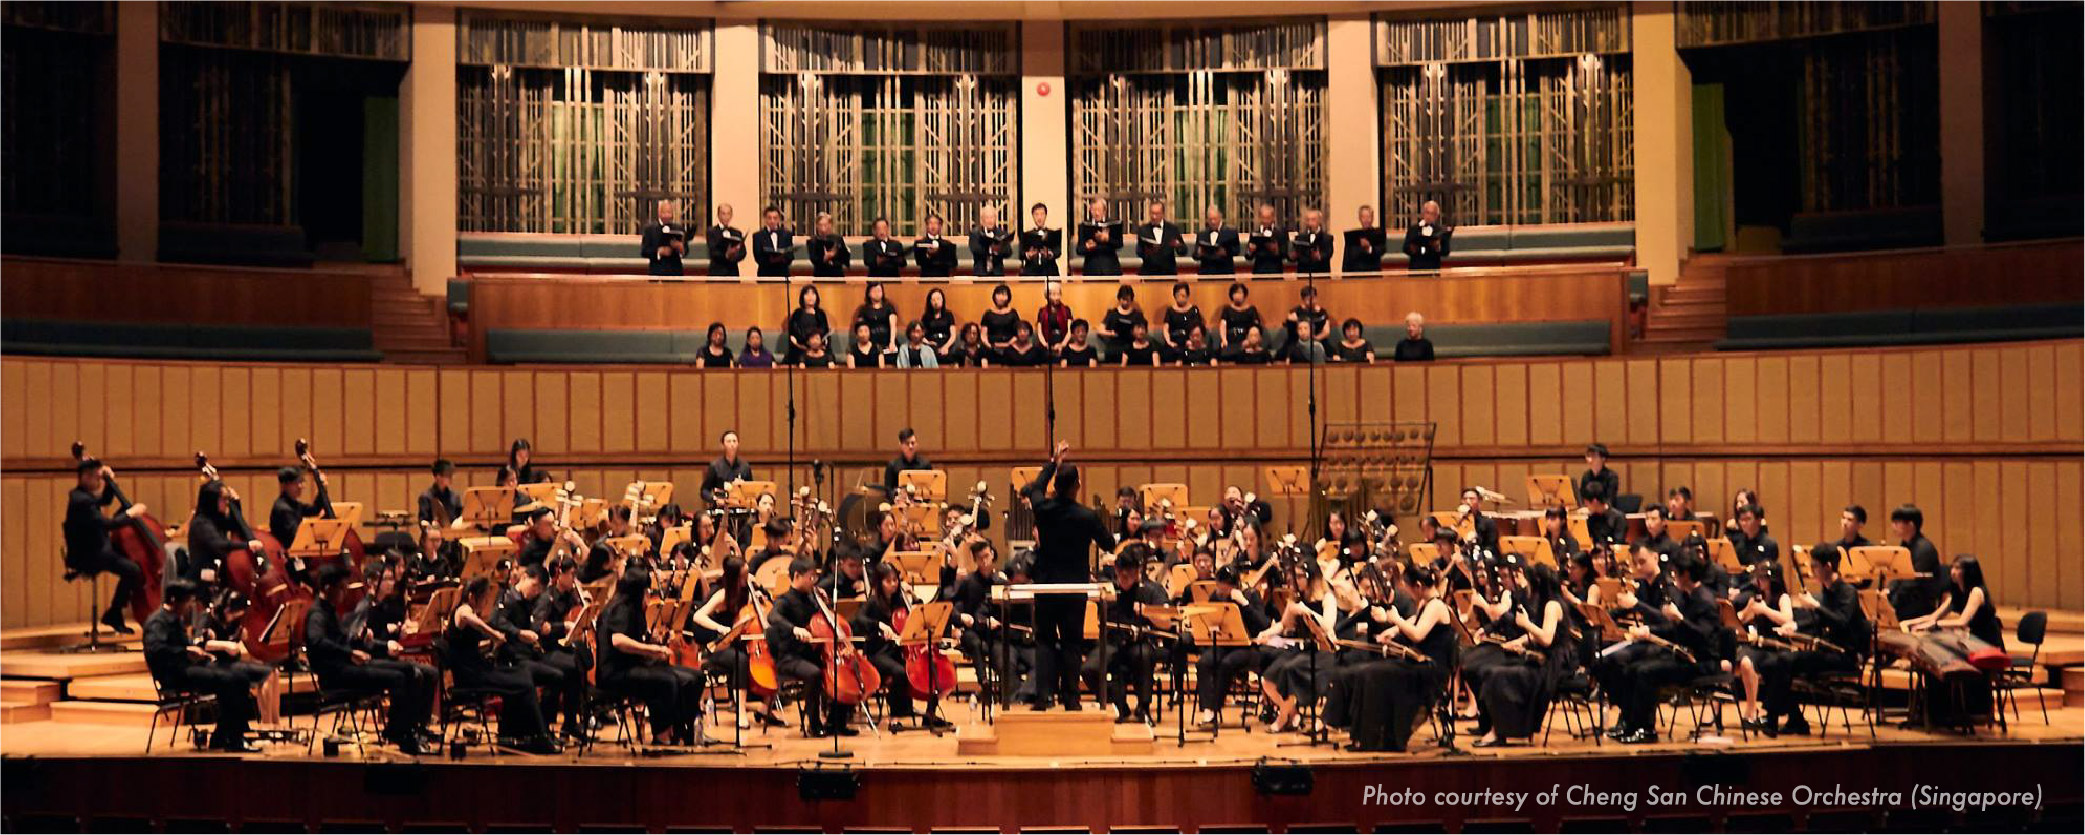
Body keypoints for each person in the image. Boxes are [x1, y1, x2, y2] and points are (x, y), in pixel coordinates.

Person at [1022, 442, 1116, 710]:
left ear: (1056, 485)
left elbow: (1035, 488)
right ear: (1077, 486)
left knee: (1045, 641)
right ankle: (1072, 698)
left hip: (1046, 586)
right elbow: (1109, 544)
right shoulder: (1087, 516)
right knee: (1072, 643)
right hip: (1074, 587)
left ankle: (1043, 698)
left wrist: (1053, 463)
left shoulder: (1042, 508)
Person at [308, 565, 434, 754]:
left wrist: (370, 643)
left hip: (348, 667)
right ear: (327, 588)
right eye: (341, 588)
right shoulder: (317, 613)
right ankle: (399, 733)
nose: (344, 593)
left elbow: (345, 640)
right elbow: (317, 641)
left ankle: (404, 729)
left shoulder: (331, 611)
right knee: (398, 677)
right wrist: (350, 653)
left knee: (408, 670)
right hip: (336, 676)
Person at [1604, 556, 1724, 744]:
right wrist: (1650, 630)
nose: (1673, 577)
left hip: (1703, 662)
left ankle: (1646, 729)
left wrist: (1680, 620)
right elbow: (1673, 630)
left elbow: (1704, 637)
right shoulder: (1688, 596)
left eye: (1676, 573)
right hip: (1684, 658)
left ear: (1686, 574)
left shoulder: (1705, 600)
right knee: (1631, 668)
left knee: (1646, 672)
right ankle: (1630, 724)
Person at [141, 581, 261, 751]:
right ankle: (233, 741)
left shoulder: (175, 619)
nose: (190, 605)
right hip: (174, 675)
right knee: (229, 680)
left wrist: (201, 642)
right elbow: (156, 650)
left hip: (188, 669)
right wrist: (186, 651)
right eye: (187, 601)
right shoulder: (157, 622)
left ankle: (223, 736)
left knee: (240, 677)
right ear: (174, 600)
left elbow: (184, 644)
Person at [595, 569, 707, 746]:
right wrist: (652, 650)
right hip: (615, 673)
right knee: (666, 680)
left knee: (696, 678)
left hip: (634, 666)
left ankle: (682, 731)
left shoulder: (633, 608)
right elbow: (618, 640)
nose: (649, 593)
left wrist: (657, 639)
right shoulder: (620, 609)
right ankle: (661, 737)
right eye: (646, 590)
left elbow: (636, 637)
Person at [448, 577, 559, 753]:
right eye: (483, 597)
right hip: (470, 674)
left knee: (521, 675)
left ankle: (512, 734)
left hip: (479, 667)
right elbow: (471, 620)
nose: (485, 602)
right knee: (523, 684)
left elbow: (470, 645)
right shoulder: (462, 610)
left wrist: (492, 645)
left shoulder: (469, 610)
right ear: (471, 596)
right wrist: (494, 635)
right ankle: (539, 737)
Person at [1472, 563, 1574, 747]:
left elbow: (1546, 638)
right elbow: (1538, 633)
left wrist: (1525, 624)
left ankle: (1499, 732)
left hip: (1553, 665)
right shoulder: (1546, 603)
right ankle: (1495, 729)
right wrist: (1520, 641)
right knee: (1489, 670)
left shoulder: (1552, 605)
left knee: (1498, 675)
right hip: (1543, 658)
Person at [689, 556, 784, 729]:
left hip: (741, 643)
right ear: (734, 577)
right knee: (740, 660)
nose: (747, 578)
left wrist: (760, 596)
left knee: (775, 653)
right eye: (743, 576)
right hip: (719, 646)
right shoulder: (722, 594)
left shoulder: (748, 591)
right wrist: (720, 628)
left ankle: (764, 709)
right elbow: (698, 616)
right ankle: (741, 712)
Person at [768, 559, 857, 736]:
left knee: (845, 670)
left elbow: (826, 623)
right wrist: (794, 629)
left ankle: (836, 722)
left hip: (815, 654)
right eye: (811, 577)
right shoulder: (784, 600)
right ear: (797, 576)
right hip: (791, 657)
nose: (814, 581)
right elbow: (772, 617)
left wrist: (826, 604)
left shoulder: (813, 598)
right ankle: (814, 723)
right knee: (814, 673)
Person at [1082, 546, 1168, 723]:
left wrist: (1147, 612)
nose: (1125, 577)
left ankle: (1143, 707)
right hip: (1111, 643)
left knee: (1143, 655)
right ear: (1116, 570)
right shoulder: (1108, 591)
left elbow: (1166, 624)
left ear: (1138, 571)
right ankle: (1118, 704)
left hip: (1139, 643)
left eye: (1130, 572)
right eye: (1121, 572)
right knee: (1089, 669)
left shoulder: (1152, 590)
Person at [64, 457, 147, 633]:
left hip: (97, 549)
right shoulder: (81, 501)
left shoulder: (83, 497)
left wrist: (110, 482)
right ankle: (114, 613)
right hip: (89, 555)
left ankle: (115, 613)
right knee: (133, 570)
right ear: (85, 477)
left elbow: (105, 501)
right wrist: (131, 514)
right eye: (97, 478)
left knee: (131, 565)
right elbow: (107, 524)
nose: (99, 482)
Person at [1190, 563, 1271, 727]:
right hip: (1224, 644)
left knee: (1227, 664)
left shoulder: (1251, 595)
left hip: (1250, 647)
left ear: (1235, 585)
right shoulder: (1215, 596)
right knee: (1203, 663)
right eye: (1219, 585)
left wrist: (1244, 604)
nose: (1221, 590)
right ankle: (1208, 711)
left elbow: (1263, 625)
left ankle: (1215, 708)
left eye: (1225, 587)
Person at [186, 479, 265, 586]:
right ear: (212, 501)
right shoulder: (201, 524)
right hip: (203, 580)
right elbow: (219, 545)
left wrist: (236, 503)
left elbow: (235, 525)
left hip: (218, 575)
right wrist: (247, 545)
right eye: (223, 499)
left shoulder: (215, 519)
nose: (226, 503)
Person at [1887, 504, 1948, 620]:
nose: (1893, 526)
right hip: (1906, 600)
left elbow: (1913, 582)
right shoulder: (1905, 546)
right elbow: (1898, 575)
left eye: (1897, 522)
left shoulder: (1925, 549)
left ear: (1910, 525)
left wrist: (1892, 603)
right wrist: (1888, 592)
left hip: (1919, 605)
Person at [269, 463, 332, 555]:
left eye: (302, 482)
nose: (301, 486)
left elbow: (314, 510)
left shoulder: (293, 504)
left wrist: (322, 488)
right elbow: (296, 537)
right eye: (296, 482)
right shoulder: (283, 508)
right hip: (288, 557)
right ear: (285, 485)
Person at [700, 429, 754, 510]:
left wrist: (743, 486)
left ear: (738, 444)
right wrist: (714, 499)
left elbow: (751, 490)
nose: (732, 444)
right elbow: (704, 491)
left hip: (740, 508)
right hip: (720, 509)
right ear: (723, 445)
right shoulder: (715, 466)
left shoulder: (745, 466)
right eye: (728, 441)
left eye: (734, 441)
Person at [1136, 199, 1187, 276]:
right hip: (1148, 273)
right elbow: (1139, 252)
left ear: (1163, 214)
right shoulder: (1143, 230)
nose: (1154, 216)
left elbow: (1183, 251)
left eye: (1157, 214)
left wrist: (1178, 245)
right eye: (1152, 213)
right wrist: (1147, 250)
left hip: (1168, 273)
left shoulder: (1172, 229)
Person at [1097, 284, 1145, 364]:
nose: (1125, 302)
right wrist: (1111, 334)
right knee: (1111, 352)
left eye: (1128, 300)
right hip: (1115, 343)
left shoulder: (1137, 314)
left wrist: (1135, 333)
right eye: (1123, 299)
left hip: (1131, 343)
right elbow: (1100, 330)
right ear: (1119, 299)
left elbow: (1143, 330)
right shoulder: (1112, 313)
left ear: (1131, 300)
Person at [1282, 285, 1331, 364]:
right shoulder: (1295, 311)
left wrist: (1315, 339)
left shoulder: (1322, 312)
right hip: (1297, 341)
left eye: (1313, 298)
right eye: (1308, 299)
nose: (1312, 301)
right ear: (1303, 300)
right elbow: (1291, 331)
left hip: (1317, 340)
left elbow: (1326, 331)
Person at [784, 285, 830, 366]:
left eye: (813, 294)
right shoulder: (797, 314)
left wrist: (817, 344)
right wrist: (806, 345)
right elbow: (794, 333)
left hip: (818, 348)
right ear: (802, 297)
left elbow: (825, 333)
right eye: (807, 294)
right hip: (800, 348)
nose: (810, 297)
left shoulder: (821, 314)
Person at [1077, 197, 1123, 276]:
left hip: (1111, 268)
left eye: (1099, 210)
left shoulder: (1112, 224)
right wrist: (1087, 247)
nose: (1097, 213)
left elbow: (1119, 244)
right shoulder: (1084, 225)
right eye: (1094, 210)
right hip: (1091, 268)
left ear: (1104, 211)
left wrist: (1108, 239)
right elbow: (1079, 250)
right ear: (1090, 210)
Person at [640, 200, 686, 276]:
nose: (667, 215)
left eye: (669, 213)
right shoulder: (650, 229)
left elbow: (686, 250)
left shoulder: (679, 228)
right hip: (657, 271)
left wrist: (681, 249)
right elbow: (644, 251)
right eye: (664, 212)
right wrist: (659, 252)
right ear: (659, 213)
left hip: (675, 272)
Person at [1158, 282, 1202, 361]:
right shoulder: (1170, 310)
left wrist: (1192, 341)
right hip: (1174, 342)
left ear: (1188, 296)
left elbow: (1198, 328)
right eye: (1177, 295)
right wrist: (1169, 342)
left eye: (1183, 295)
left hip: (1190, 341)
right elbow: (1165, 328)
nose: (1180, 298)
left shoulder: (1194, 309)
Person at [1402, 199, 1452, 270]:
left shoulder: (1440, 231)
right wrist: (1411, 249)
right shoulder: (1413, 229)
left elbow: (1446, 251)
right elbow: (1405, 248)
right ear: (1423, 213)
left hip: (1433, 267)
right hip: (1415, 267)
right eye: (1427, 213)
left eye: (1432, 214)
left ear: (1436, 216)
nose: (1429, 216)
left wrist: (1438, 247)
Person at [853, 282, 899, 356]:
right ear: (868, 293)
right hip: (870, 343)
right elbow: (861, 327)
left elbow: (893, 326)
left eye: (879, 291)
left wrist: (892, 342)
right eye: (874, 291)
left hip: (887, 341)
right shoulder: (864, 309)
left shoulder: (889, 307)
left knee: (893, 353)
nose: (877, 293)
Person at [1195, 205, 1241, 275]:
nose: (1213, 222)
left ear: (1220, 218)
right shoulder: (1202, 234)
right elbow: (1195, 255)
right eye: (1210, 219)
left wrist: (1225, 252)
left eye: (1215, 219)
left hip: (1225, 272)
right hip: (1206, 273)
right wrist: (1198, 253)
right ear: (1207, 220)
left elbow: (1237, 250)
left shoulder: (1231, 233)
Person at [884, 428, 932, 494]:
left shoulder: (925, 464)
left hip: (920, 503)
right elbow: (888, 490)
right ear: (901, 445)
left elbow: (930, 489)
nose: (910, 446)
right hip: (899, 503)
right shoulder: (892, 466)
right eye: (907, 443)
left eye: (913, 443)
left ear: (916, 444)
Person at [1342, 205, 1386, 275]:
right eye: (1363, 217)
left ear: (1372, 218)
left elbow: (1382, 250)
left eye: (1368, 217)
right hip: (1355, 275)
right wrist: (1344, 275)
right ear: (1360, 218)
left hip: (1372, 274)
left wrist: (1369, 248)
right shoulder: (1352, 236)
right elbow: (1347, 258)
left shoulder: (1378, 234)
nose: (1366, 220)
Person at [1580, 482, 1627, 548]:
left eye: (1586, 503)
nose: (1586, 506)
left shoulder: (1618, 518)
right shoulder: (1591, 518)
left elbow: (1619, 544)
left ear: (1594, 501)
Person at [970, 205, 1013, 277]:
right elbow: (975, 250)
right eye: (987, 217)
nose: (990, 220)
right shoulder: (975, 234)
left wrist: (998, 250)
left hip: (997, 273)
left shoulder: (1001, 233)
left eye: (992, 217)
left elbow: (1008, 252)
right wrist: (990, 249)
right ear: (982, 220)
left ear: (995, 219)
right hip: (980, 273)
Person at [751, 206, 794, 278]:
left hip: (782, 273)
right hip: (765, 274)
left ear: (779, 219)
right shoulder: (758, 236)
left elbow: (790, 255)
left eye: (775, 218)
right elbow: (758, 257)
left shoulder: (787, 235)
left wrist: (782, 259)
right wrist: (771, 260)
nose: (772, 221)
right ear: (765, 219)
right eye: (769, 218)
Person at [1289, 208, 1334, 275]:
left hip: (1321, 273)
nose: (1310, 223)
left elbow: (1328, 253)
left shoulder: (1327, 238)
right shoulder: (1300, 237)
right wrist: (1293, 256)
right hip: (1304, 273)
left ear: (1319, 221)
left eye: (1313, 220)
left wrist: (1319, 256)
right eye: (1308, 220)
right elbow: (1294, 256)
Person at [1020, 202, 1060, 277]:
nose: (1039, 217)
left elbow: (1058, 251)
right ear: (1033, 216)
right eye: (1036, 214)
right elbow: (1021, 253)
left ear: (1045, 215)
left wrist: (1049, 254)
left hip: (1049, 270)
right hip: (1030, 271)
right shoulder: (1027, 235)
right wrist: (1028, 254)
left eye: (1042, 214)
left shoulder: (1052, 233)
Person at [706, 203, 746, 277]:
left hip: (733, 272)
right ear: (718, 215)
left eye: (728, 214)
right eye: (723, 214)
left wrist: (734, 255)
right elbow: (713, 251)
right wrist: (726, 255)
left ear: (731, 216)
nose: (726, 217)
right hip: (717, 272)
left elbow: (743, 253)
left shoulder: (737, 233)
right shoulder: (711, 231)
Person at [1217, 282, 1260, 349]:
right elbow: (1223, 325)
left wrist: (1249, 340)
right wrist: (1224, 339)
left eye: (1240, 293)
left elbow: (1255, 327)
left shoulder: (1251, 309)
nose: (1237, 296)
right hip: (1230, 340)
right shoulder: (1227, 309)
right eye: (1235, 293)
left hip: (1247, 340)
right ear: (1231, 295)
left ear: (1244, 294)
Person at [980, 283, 1023, 349]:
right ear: (994, 296)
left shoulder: (1013, 313)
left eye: (1004, 295)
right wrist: (989, 345)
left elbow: (1017, 333)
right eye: (998, 294)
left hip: (1010, 346)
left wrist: (1008, 344)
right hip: (991, 345)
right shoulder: (988, 314)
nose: (1001, 297)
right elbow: (983, 335)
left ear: (1008, 297)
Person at [806, 212, 849, 277]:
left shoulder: (838, 239)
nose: (823, 228)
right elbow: (814, 259)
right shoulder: (813, 241)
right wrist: (825, 258)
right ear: (817, 226)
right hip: (820, 275)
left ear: (830, 225)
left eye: (825, 225)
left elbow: (844, 258)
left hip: (837, 274)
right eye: (820, 225)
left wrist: (835, 255)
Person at [919, 288, 958, 359]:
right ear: (930, 302)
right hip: (931, 344)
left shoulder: (949, 315)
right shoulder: (926, 317)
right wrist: (928, 343)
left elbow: (953, 335)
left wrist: (946, 347)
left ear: (943, 300)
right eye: (933, 300)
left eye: (938, 299)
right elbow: (921, 335)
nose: (936, 302)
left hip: (946, 342)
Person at [1579, 444, 1620, 509]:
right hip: (1589, 511)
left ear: (1603, 458)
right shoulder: (1586, 476)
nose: (1589, 459)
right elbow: (1582, 498)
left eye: (1593, 456)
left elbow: (1610, 500)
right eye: (1588, 456)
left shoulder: (1611, 476)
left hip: (1606, 513)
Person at [1036, 283, 1075, 351]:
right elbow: (1040, 332)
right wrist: (1045, 344)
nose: (1057, 297)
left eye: (1059, 294)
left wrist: (1062, 345)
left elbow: (1070, 331)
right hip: (1047, 342)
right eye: (1054, 294)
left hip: (1063, 341)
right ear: (1047, 296)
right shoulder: (1042, 311)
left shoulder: (1066, 309)